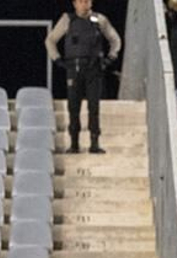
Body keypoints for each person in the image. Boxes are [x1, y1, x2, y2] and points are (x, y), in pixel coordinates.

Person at [46, 0, 122, 153]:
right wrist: (57, 59)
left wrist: (111, 58)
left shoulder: (99, 19)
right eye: (81, 1)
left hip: (94, 69)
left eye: (87, 1)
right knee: (73, 106)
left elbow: (115, 39)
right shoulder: (67, 19)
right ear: (75, 4)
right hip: (74, 68)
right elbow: (50, 40)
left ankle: (94, 142)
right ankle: (74, 143)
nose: (84, 4)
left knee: (93, 106)